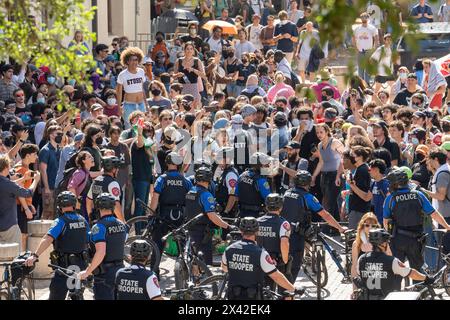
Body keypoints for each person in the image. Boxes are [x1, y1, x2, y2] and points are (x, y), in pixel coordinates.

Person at [383, 168, 450, 277]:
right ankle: (418, 291)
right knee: (417, 271)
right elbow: (434, 213)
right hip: (415, 240)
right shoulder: (418, 195)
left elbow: (385, 222)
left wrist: (388, 240)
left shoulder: (390, 199)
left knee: (396, 269)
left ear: (396, 184)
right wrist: (447, 226)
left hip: (397, 240)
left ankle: (396, 291)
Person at [282, 170, 346, 282]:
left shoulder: (286, 193)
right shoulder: (308, 197)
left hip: (283, 231)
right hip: (296, 235)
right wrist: (340, 228)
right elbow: (325, 215)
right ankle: (289, 290)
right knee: (294, 265)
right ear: (307, 183)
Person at [24, 192, 90, 300]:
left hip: (64, 268)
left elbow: (48, 238)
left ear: (59, 206)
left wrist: (35, 255)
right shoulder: (83, 220)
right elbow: (89, 241)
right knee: (76, 296)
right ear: (74, 204)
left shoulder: (60, 221)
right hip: (79, 266)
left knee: (57, 295)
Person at [222, 216, 297, 300]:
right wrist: (293, 289)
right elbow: (276, 276)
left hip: (233, 295)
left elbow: (224, 268)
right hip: (253, 296)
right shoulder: (260, 253)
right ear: (257, 232)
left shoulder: (229, 249)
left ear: (241, 231)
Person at [356, 228, 431, 300]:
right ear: (383, 243)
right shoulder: (391, 261)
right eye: (387, 242)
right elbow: (411, 273)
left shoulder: (362, 259)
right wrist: (426, 278)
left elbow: (359, 276)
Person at [79, 193, 127, 300]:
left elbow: (101, 252)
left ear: (98, 207)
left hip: (104, 275)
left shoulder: (99, 227)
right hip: (120, 271)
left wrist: (88, 271)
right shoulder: (121, 224)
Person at [184, 166, 234, 265]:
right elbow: (212, 216)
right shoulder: (206, 195)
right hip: (202, 232)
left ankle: (195, 277)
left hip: (191, 229)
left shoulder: (191, 191)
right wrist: (228, 226)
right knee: (204, 261)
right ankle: (205, 279)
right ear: (209, 179)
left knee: (194, 259)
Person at [150, 152, 192, 255]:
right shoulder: (185, 180)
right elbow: (191, 199)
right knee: (183, 246)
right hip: (180, 214)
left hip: (163, 214)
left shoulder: (161, 179)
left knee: (158, 244)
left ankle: (155, 269)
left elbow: (155, 200)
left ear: (167, 163)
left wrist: (150, 215)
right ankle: (185, 267)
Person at [0, 154, 40, 248]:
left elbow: (9, 186)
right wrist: (35, 181)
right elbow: (28, 193)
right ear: (6, 167)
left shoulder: (6, 183)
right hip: (9, 226)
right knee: (14, 257)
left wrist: (23, 179)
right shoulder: (7, 183)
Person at [312, 124, 345, 226]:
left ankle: (333, 226)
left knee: (332, 201)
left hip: (335, 174)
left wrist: (338, 175)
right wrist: (314, 176)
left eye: (321, 132)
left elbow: (344, 158)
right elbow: (321, 162)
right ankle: (333, 226)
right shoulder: (320, 145)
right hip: (324, 175)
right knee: (327, 201)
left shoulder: (335, 142)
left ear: (327, 131)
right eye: (317, 132)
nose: (319, 134)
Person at [257, 193, 292, 288]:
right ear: (280, 207)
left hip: (259, 259)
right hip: (276, 261)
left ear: (266, 206)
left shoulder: (257, 221)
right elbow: (284, 243)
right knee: (285, 290)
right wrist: (285, 260)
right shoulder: (283, 223)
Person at [425, 150, 450, 254]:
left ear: (436, 159)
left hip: (446, 215)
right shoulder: (444, 170)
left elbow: (441, 196)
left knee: (446, 247)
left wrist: (423, 191)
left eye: (430, 160)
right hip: (446, 214)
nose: (429, 163)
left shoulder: (442, 173)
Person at [86, 156, 124, 223]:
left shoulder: (96, 181)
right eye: (117, 168)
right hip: (111, 222)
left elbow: (89, 201)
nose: (118, 170)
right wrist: (122, 221)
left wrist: (90, 217)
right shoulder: (113, 183)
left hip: (98, 220)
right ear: (113, 169)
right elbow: (116, 204)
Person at [15, 144, 39, 250]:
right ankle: (20, 262)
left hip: (24, 206)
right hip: (19, 208)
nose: (36, 157)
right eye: (34, 154)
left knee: (24, 235)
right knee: (22, 235)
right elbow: (19, 191)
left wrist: (30, 205)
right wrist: (26, 208)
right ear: (28, 155)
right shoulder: (20, 169)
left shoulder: (26, 167)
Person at [116, 47, 147, 129]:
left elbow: (142, 89)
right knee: (130, 128)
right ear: (127, 61)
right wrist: (119, 107)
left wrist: (146, 105)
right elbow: (119, 92)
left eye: (136, 59)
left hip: (141, 104)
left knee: (141, 127)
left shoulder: (141, 71)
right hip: (128, 105)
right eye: (132, 60)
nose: (135, 62)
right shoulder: (122, 74)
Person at [236, 152, 272, 218]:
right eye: (266, 165)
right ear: (260, 166)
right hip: (257, 216)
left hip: (242, 213)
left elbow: (236, 195)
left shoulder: (242, 175)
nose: (268, 166)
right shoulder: (261, 180)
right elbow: (269, 199)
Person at [38, 125, 62, 220]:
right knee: (48, 212)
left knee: (55, 213)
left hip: (57, 187)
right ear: (51, 135)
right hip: (49, 188)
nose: (60, 136)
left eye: (61, 134)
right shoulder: (45, 150)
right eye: (58, 134)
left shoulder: (59, 149)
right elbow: (43, 171)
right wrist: (47, 188)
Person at [346, 146, 372, 229]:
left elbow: (364, 195)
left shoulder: (362, 170)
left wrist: (351, 185)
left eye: (352, 155)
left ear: (360, 157)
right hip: (357, 208)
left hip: (359, 210)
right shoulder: (360, 168)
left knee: (354, 237)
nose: (351, 157)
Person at [173, 42, 206, 108]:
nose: (189, 51)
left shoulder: (197, 61)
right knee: (182, 106)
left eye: (191, 49)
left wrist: (193, 70)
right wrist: (177, 75)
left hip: (193, 87)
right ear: (184, 50)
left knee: (193, 107)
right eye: (187, 49)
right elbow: (173, 76)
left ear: (193, 50)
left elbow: (203, 75)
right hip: (182, 88)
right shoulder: (179, 61)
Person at [352, 12, 379, 84]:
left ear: (368, 18)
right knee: (360, 69)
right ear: (360, 18)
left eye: (365, 17)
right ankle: (361, 84)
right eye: (362, 17)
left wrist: (374, 49)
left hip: (369, 51)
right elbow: (353, 38)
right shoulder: (357, 28)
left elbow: (376, 39)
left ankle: (367, 84)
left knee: (368, 70)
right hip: (360, 51)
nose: (364, 18)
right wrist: (355, 48)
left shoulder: (372, 28)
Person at [214, 147, 239, 218]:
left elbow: (233, 196)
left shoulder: (230, 175)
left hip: (227, 213)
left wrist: (226, 212)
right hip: (221, 209)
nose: (217, 161)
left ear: (227, 159)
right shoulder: (225, 171)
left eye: (219, 159)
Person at [368, 159, 389, 224]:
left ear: (376, 169)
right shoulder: (374, 183)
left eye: (370, 170)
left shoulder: (386, 184)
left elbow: (389, 201)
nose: (369, 172)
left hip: (386, 219)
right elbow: (367, 198)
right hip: (378, 219)